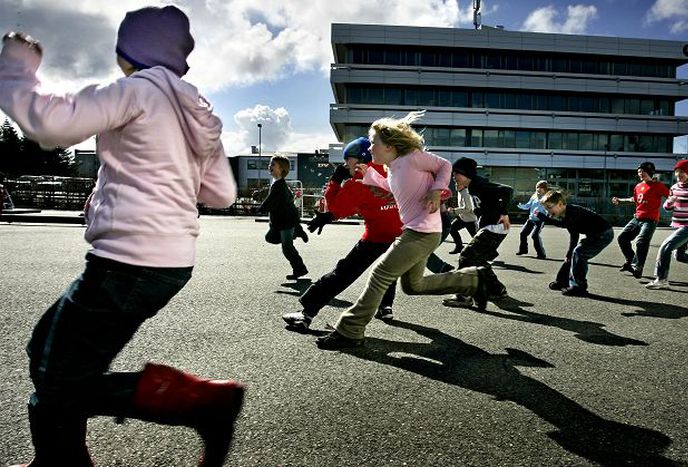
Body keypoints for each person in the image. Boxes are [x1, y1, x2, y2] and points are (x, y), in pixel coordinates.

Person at [0, 7, 244, 466]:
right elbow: (222, 193)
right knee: (46, 352)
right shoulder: (199, 113)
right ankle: (61, 458)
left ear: (125, 53)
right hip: (168, 262)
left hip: (127, 261)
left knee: (60, 376)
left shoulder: (133, 93)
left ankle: (204, 404)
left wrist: (15, 68)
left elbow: (50, 124)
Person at [316, 111, 491, 350]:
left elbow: (444, 165)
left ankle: (350, 329)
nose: (370, 147)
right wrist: (371, 176)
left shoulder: (412, 157)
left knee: (380, 274)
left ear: (388, 145)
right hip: (419, 231)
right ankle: (472, 280)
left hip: (422, 232)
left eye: (373, 142)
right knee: (413, 285)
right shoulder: (393, 167)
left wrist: (438, 189)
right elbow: (391, 185)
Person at [282, 137, 403, 330]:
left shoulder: (356, 183)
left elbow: (336, 208)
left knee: (343, 273)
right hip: (403, 237)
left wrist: (335, 181)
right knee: (388, 271)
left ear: (361, 159)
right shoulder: (395, 172)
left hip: (375, 238)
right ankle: (386, 306)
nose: (346, 164)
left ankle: (306, 314)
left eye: (348, 160)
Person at [442, 157, 512, 308]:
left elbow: (507, 191)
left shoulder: (479, 184)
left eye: (456, 175)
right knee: (478, 260)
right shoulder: (472, 187)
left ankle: (463, 296)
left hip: (494, 227)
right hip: (491, 227)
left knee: (466, 256)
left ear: (466, 173)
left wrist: (504, 212)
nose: (454, 178)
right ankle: (497, 290)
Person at [645, 159, 688, 289]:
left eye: (682, 172)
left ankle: (662, 279)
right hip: (677, 225)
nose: (679, 174)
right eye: (677, 172)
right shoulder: (674, 187)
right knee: (680, 256)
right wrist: (670, 201)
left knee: (665, 247)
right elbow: (666, 207)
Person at [537, 190, 614, 297]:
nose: (548, 211)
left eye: (549, 207)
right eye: (546, 209)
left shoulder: (572, 212)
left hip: (603, 234)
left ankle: (579, 286)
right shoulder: (567, 214)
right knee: (574, 254)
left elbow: (566, 227)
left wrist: (545, 219)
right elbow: (573, 232)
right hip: (594, 234)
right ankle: (562, 281)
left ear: (560, 204)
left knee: (579, 253)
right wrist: (569, 254)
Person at [611, 162, 668, 279]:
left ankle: (638, 266)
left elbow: (671, 196)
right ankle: (630, 260)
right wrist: (620, 201)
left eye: (643, 171)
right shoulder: (638, 186)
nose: (640, 174)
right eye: (639, 172)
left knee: (641, 241)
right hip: (637, 218)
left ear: (650, 172)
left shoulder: (658, 186)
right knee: (622, 238)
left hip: (650, 220)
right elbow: (635, 199)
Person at [259, 154, 309, 280]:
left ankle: (300, 269)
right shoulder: (277, 183)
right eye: (270, 164)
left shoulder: (279, 185)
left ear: (281, 169)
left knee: (287, 248)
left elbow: (271, 200)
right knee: (270, 237)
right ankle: (297, 231)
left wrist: (261, 208)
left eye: (273, 165)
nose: (270, 166)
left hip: (286, 221)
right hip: (283, 220)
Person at [447, 169, 478, 254]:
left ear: (463, 185)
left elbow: (468, 208)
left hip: (470, 220)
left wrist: (454, 211)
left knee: (476, 238)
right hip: (462, 218)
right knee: (452, 229)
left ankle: (488, 251)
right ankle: (459, 246)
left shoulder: (466, 193)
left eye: (458, 184)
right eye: (456, 183)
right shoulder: (460, 192)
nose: (456, 185)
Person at [516, 180, 548, 259]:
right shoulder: (534, 196)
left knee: (535, 236)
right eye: (537, 187)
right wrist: (519, 205)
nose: (538, 189)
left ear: (545, 189)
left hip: (540, 220)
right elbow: (527, 206)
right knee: (523, 234)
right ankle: (523, 250)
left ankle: (541, 254)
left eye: (541, 188)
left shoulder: (547, 197)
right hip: (531, 219)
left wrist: (546, 216)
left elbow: (549, 209)